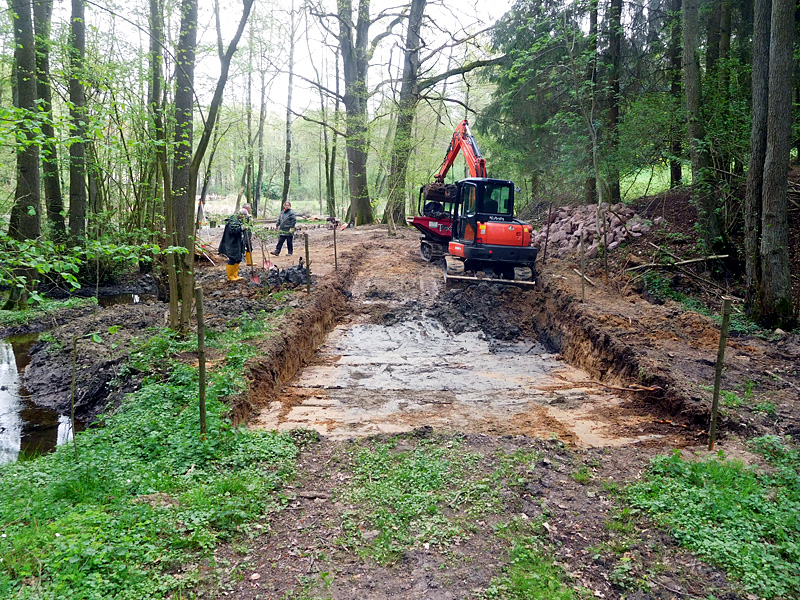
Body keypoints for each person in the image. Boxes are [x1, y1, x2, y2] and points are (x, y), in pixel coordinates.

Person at [218, 208, 248, 281]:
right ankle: (230, 276)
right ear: (241, 215)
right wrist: (241, 228)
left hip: (237, 243)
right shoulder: (232, 221)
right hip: (231, 244)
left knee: (238, 259)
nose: (244, 218)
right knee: (233, 259)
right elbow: (232, 231)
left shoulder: (237, 220)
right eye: (244, 216)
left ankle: (235, 275)